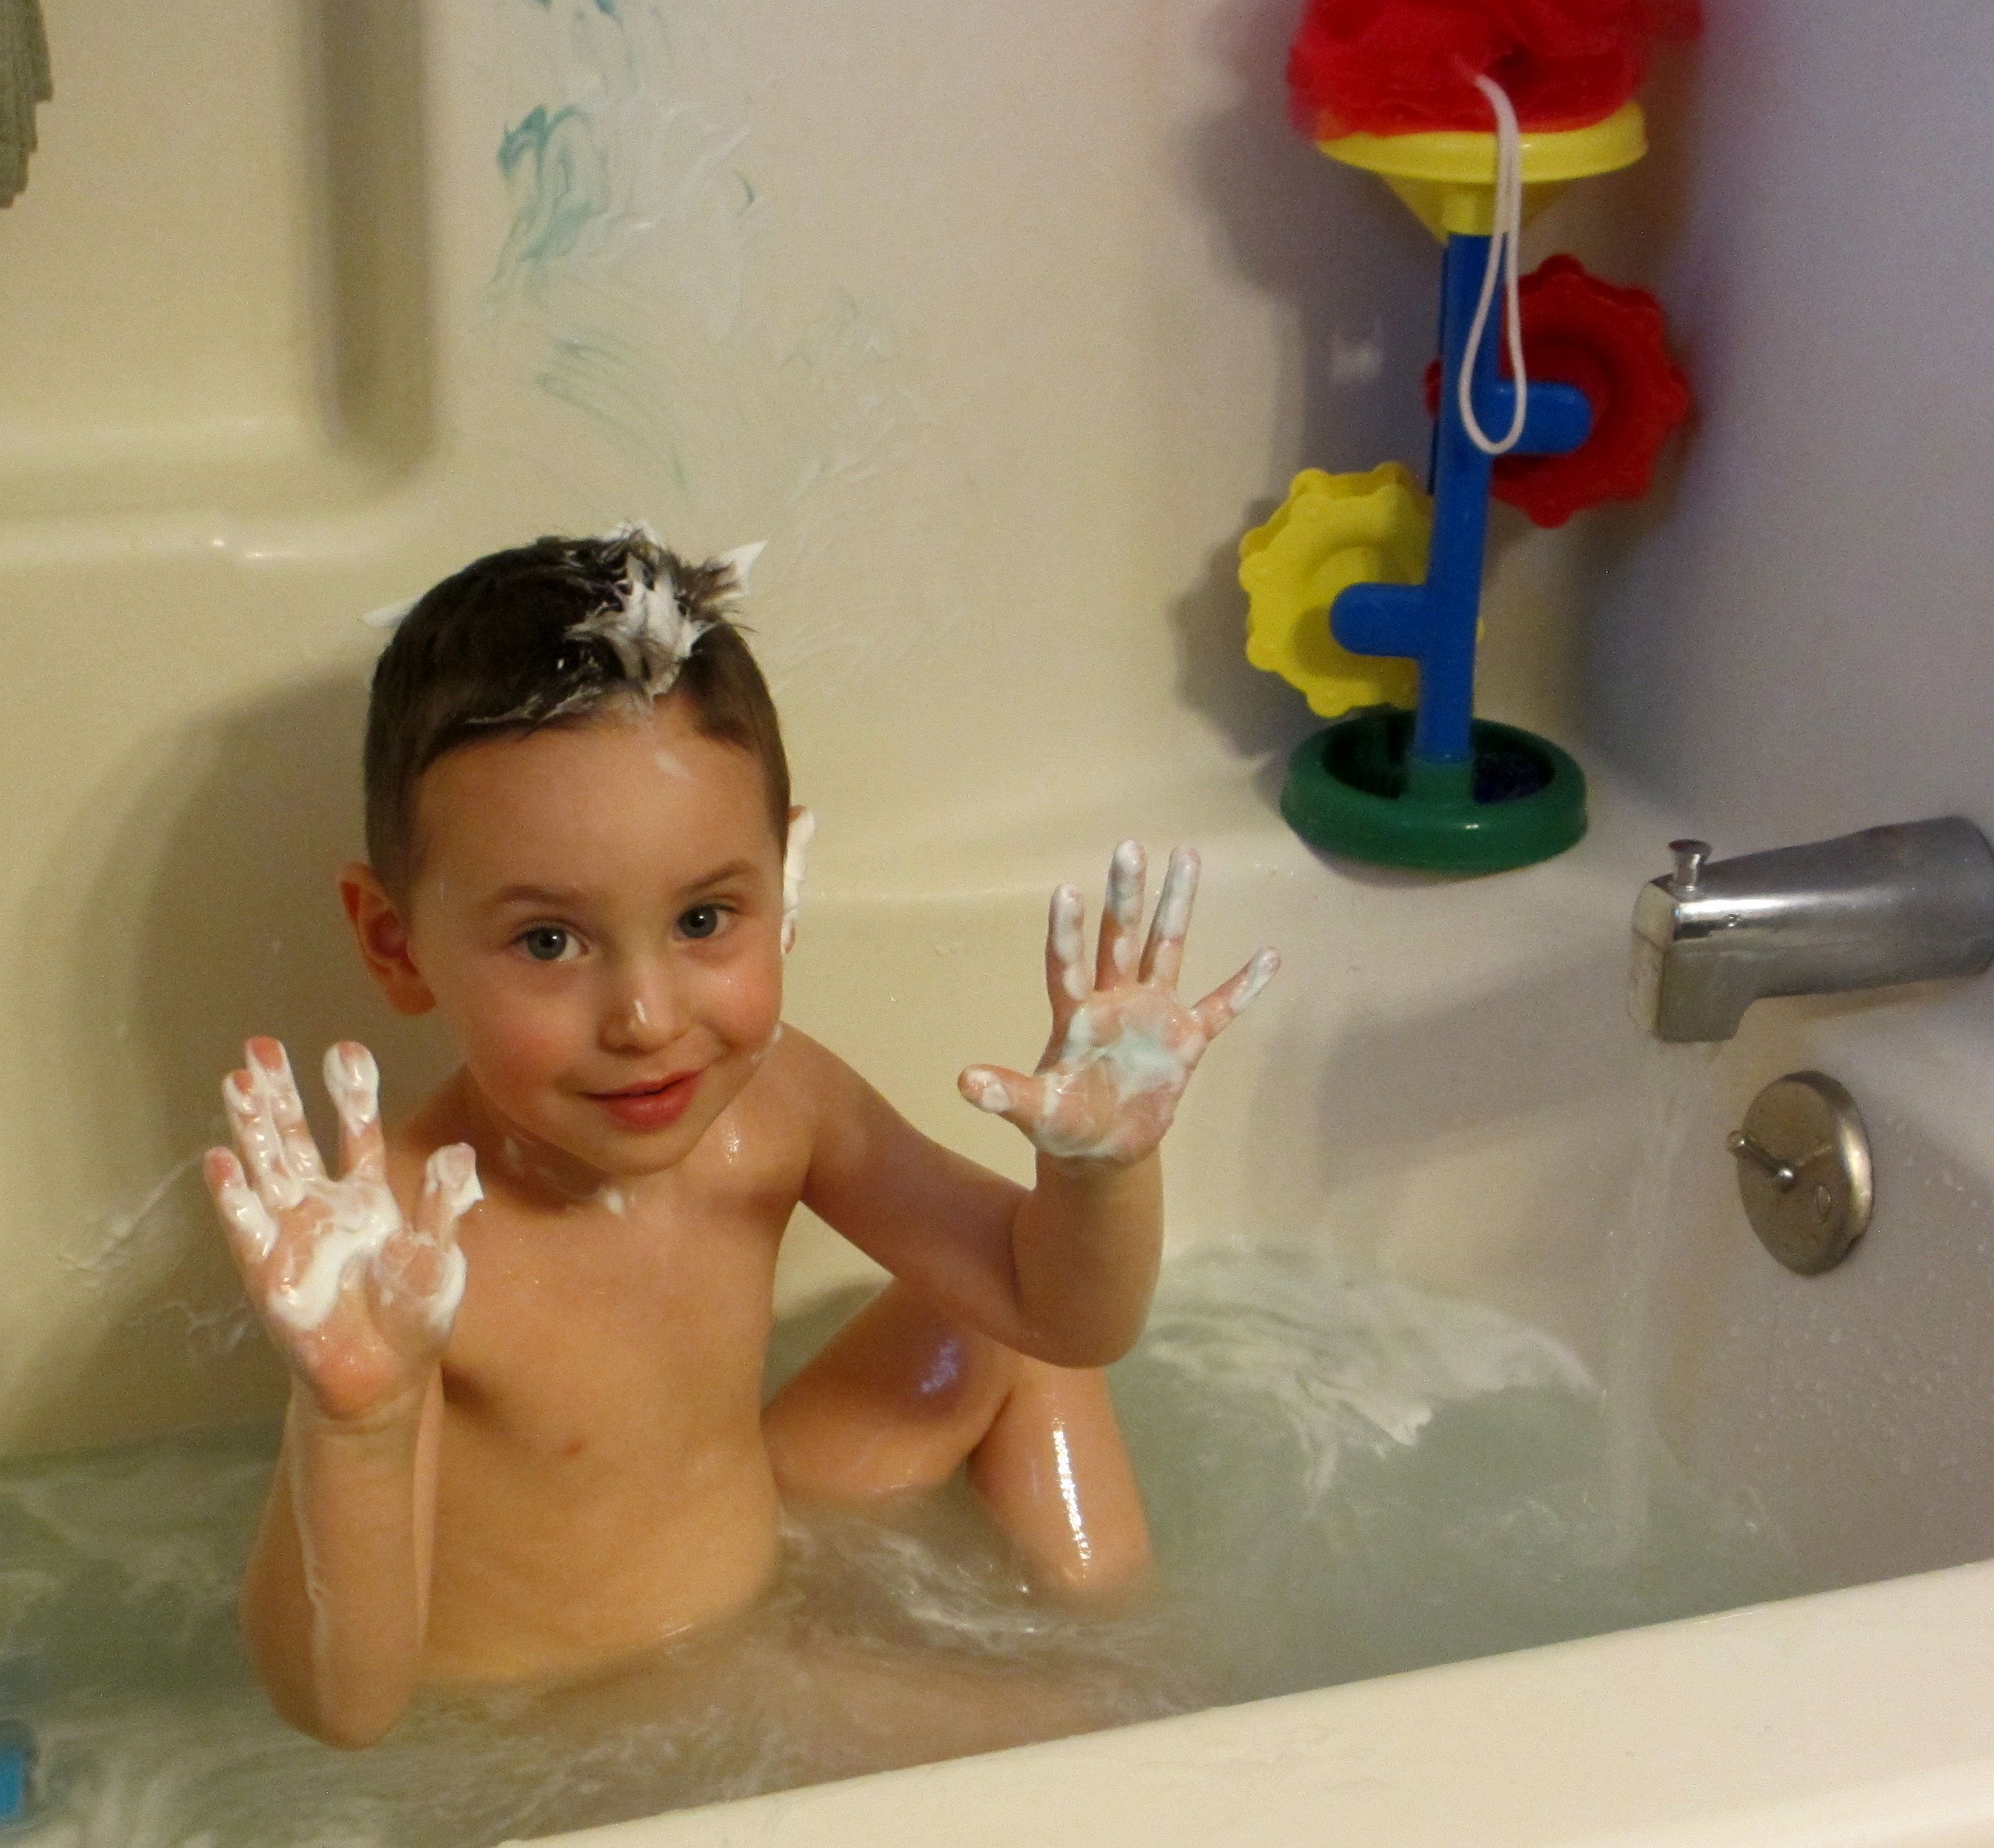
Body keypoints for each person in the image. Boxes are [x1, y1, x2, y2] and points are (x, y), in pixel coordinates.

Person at [205, 527, 1277, 1750]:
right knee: (1087, 1732)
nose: (647, 1017)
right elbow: (343, 1710)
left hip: (752, 1539)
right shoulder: (407, 1258)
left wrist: (1099, 1174)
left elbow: (1063, 1314)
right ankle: (1127, 1716)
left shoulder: (778, 1101)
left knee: (999, 1329)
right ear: (397, 944)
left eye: (705, 919)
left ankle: (1129, 1636)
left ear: (785, 882)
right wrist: (357, 1427)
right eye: (549, 942)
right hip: (606, 1706)